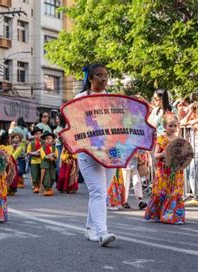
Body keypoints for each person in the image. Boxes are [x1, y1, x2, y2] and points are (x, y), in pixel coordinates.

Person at [75, 64, 116, 247]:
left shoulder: (114, 100)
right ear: (90, 79)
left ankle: (90, 228)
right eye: (99, 75)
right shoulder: (80, 99)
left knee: (100, 193)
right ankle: (102, 232)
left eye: (105, 75)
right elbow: (75, 126)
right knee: (98, 192)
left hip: (110, 153)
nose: (103, 79)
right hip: (88, 153)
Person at [144, 113, 185, 224]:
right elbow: (156, 155)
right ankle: (158, 214)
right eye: (170, 126)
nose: (173, 128)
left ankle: (173, 216)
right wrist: (162, 154)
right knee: (162, 192)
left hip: (176, 171)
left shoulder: (179, 139)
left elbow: (184, 154)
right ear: (165, 126)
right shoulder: (161, 138)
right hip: (163, 171)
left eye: (175, 126)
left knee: (174, 192)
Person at [39, 131, 58, 196]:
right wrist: (49, 156)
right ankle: (47, 189)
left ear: (52, 139)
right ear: (44, 140)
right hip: (45, 164)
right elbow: (43, 156)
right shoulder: (42, 147)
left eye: (50, 138)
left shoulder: (54, 147)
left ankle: (49, 187)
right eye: (46, 138)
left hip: (52, 164)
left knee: (53, 177)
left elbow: (56, 155)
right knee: (46, 176)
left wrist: (53, 156)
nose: (48, 140)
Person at [27, 126, 43, 193]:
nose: (38, 135)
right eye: (36, 134)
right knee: (34, 173)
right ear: (33, 135)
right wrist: (33, 153)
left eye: (39, 133)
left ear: (41, 134)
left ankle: (40, 185)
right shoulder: (31, 143)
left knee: (40, 173)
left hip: (42, 161)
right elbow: (28, 152)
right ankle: (35, 186)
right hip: (34, 161)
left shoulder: (43, 143)